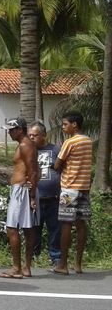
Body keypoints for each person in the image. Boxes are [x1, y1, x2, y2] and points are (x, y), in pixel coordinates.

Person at [52, 110, 93, 275]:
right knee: (81, 225)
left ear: (74, 124)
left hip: (69, 189)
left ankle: (62, 264)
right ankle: (78, 264)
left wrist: (60, 165)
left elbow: (57, 165)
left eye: (65, 124)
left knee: (66, 224)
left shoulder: (69, 142)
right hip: (84, 188)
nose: (63, 127)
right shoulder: (88, 141)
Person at [0, 117, 39, 279]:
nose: (9, 133)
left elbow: (33, 171)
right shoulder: (26, 144)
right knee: (27, 228)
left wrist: (32, 195)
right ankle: (26, 267)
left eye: (11, 130)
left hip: (21, 189)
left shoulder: (25, 145)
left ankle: (17, 267)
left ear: (19, 130)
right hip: (22, 188)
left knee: (12, 228)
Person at [28, 121, 62, 266]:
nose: (31, 138)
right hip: (36, 197)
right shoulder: (28, 150)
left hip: (54, 197)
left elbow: (62, 169)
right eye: (29, 135)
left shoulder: (55, 150)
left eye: (34, 135)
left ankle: (55, 257)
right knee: (35, 228)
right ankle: (34, 255)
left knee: (55, 229)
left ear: (43, 135)